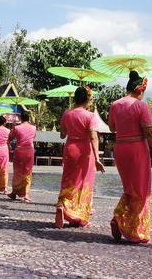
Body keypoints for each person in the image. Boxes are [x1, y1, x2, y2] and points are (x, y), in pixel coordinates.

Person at [109, 71, 152, 244]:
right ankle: (133, 229)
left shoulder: (115, 105)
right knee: (141, 190)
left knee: (129, 188)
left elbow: (112, 128)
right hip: (136, 149)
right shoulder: (141, 106)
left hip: (120, 148)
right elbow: (149, 131)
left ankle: (120, 218)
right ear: (140, 89)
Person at [55, 86, 105, 228]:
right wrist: (97, 158)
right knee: (83, 182)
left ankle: (62, 205)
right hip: (84, 151)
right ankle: (80, 216)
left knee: (68, 180)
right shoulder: (90, 116)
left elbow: (62, 135)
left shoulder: (67, 114)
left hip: (70, 148)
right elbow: (93, 137)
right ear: (87, 99)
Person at [10, 111, 37, 202]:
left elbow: (11, 137)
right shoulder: (33, 128)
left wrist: (13, 128)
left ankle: (14, 192)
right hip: (29, 151)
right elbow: (33, 138)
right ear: (28, 118)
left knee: (17, 172)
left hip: (19, 151)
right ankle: (26, 194)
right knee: (27, 172)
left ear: (21, 118)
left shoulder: (17, 128)